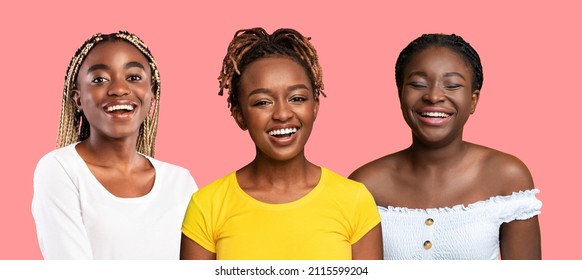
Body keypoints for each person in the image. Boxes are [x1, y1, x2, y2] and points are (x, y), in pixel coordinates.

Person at [180, 27, 382, 260]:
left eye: (297, 98)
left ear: (315, 106)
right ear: (239, 115)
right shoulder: (207, 206)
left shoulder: (354, 201)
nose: (283, 114)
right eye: (263, 102)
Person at [349, 33, 542, 260]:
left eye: (452, 85)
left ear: (473, 100)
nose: (433, 96)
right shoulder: (365, 184)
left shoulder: (507, 176)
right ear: (400, 94)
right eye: (418, 84)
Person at [32, 31, 197, 259]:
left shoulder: (180, 183)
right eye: (99, 79)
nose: (119, 89)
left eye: (134, 77)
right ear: (78, 99)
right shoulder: (60, 169)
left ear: (152, 94)